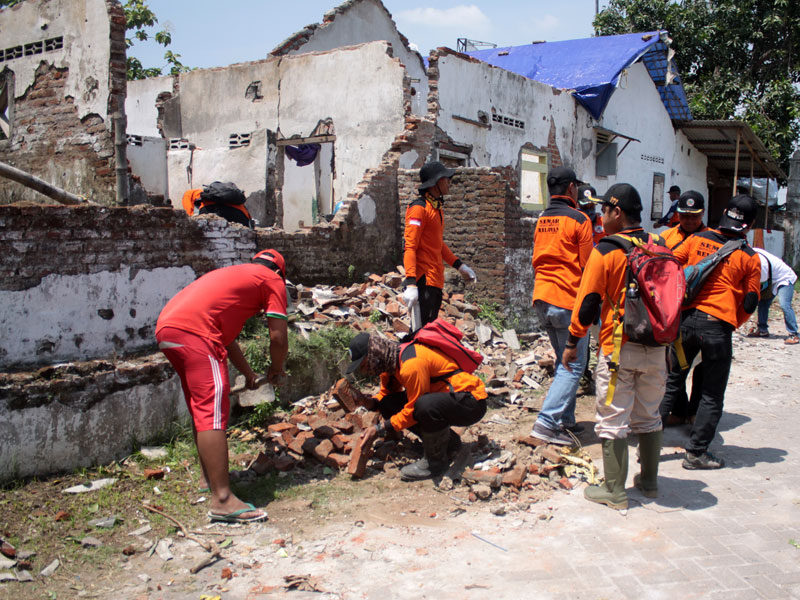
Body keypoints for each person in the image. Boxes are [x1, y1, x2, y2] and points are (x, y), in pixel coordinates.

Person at [155, 249, 289, 523]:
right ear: (280, 273)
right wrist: (276, 369)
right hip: (196, 333)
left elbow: (228, 340)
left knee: (201, 408)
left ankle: (210, 480)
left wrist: (249, 374)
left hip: (168, 327)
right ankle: (223, 500)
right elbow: (278, 337)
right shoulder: (271, 280)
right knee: (213, 412)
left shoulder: (237, 279)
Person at [563, 183, 668, 510]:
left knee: (612, 418)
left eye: (603, 210)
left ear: (617, 211)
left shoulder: (606, 249)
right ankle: (649, 483)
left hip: (618, 349)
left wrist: (571, 342)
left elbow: (587, 304)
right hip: (657, 346)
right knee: (649, 415)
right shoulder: (660, 245)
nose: (600, 215)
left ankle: (614, 491)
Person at [660, 195, 761, 470]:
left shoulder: (695, 240)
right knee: (711, 393)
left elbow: (671, 265)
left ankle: (648, 445)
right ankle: (696, 454)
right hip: (717, 330)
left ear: (723, 215)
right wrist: (730, 321)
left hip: (686, 324)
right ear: (749, 225)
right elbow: (751, 302)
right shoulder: (749, 258)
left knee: (672, 380)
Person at [346, 331, 487, 481]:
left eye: (364, 365)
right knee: (389, 403)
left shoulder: (411, 364)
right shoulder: (389, 365)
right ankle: (448, 445)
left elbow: (413, 410)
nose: (364, 371)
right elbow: (385, 397)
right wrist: (367, 402)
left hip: (470, 402)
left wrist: (379, 428)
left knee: (424, 405)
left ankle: (435, 463)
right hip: (445, 401)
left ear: (374, 355)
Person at [528, 167, 594, 445]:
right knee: (573, 367)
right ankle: (546, 423)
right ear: (571, 189)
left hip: (542, 298)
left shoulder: (542, 219)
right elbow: (589, 266)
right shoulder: (580, 219)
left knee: (563, 361)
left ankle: (565, 420)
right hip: (569, 300)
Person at [402, 161, 476, 327]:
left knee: (429, 334)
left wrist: (460, 266)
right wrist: (411, 284)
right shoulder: (419, 208)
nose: (449, 181)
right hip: (423, 282)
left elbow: (438, 244)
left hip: (435, 282)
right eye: (445, 178)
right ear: (435, 182)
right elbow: (410, 247)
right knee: (421, 336)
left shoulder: (437, 209)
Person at [659, 190, 709, 426]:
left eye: (694, 216)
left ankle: (695, 411)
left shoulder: (713, 239)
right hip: (672, 309)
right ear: (677, 214)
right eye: (684, 216)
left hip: (703, 308)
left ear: (702, 214)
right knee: (673, 364)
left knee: (703, 366)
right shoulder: (665, 237)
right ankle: (678, 410)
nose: (689, 221)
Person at [576, 184, 605, 395]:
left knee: (603, 333)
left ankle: (602, 372)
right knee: (582, 333)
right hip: (580, 287)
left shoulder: (603, 225)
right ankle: (584, 375)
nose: (590, 210)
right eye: (586, 207)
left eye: (593, 206)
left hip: (603, 287)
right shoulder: (576, 224)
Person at [747, 248, 798, 344]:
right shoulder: (751, 253)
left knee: (784, 304)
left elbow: (760, 281)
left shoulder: (759, 262)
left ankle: (794, 334)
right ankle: (762, 330)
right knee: (763, 302)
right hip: (771, 278)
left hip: (785, 278)